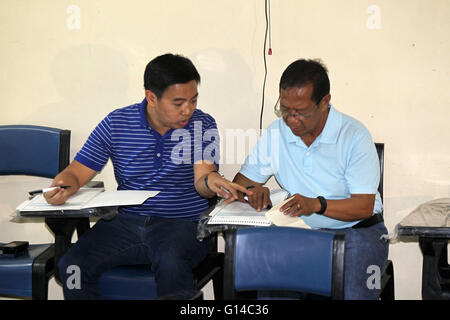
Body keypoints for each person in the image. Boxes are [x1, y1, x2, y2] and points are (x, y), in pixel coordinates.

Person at [45, 53, 250, 299]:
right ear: (151, 97)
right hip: (125, 223)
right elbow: (76, 172)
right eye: (178, 103)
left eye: (193, 100)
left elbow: (203, 178)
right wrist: (63, 186)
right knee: (72, 266)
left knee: (171, 264)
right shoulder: (117, 123)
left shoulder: (202, 124)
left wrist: (213, 181)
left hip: (181, 225)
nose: (188, 110)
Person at [232, 59, 389, 300]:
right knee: (267, 281)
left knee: (357, 294)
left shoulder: (354, 136)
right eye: (285, 110)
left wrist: (316, 204)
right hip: (299, 232)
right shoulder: (277, 133)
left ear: (324, 102)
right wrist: (254, 189)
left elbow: (364, 206)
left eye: (301, 112)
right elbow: (241, 182)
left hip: (357, 233)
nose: (291, 119)